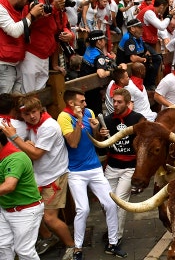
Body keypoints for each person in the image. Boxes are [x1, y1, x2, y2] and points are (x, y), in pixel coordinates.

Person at [1, 96, 74, 259]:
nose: (31, 117)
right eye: (27, 114)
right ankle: (48, 238)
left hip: (54, 177)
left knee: (49, 218)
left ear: (40, 110)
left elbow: (36, 155)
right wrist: (27, 142)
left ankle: (73, 247)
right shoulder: (31, 125)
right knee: (34, 211)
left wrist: (15, 137)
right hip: (39, 176)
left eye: (34, 112)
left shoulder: (49, 126)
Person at [57, 88, 126, 259]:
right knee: (83, 209)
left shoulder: (89, 112)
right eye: (81, 101)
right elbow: (72, 143)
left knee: (110, 204)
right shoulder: (64, 117)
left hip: (94, 167)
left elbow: (95, 139)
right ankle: (78, 248)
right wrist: (79, 121)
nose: (85, 104)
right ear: (71, 103)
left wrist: (98, 132)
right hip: (75, 171)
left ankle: (113, 243)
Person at [101, 88, 145, 245]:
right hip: (112, 167)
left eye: (119, 102)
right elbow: (102, 146)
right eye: (114, 101)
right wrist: (99, 133)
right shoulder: (106, 120)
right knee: (107, 202)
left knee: (119, 201)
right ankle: (112, 229)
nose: (115, 104)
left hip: (129, 167)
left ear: (128, 103)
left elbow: (146, 140)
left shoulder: (138, 119)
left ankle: (116, 237)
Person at [20, 0, 74, 93]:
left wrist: (69, 34)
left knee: (40, 93)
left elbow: (62, 27)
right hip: (31, 54)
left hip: (46, 57)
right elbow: (31, 22)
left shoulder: (60, 5)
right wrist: (53, 7)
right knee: (28, 95)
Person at [0, 129, 43, 259]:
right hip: (5, 209)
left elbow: (9, 186)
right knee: (3, 245)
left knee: (24, 251)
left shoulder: (15, 158)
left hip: (25, 210)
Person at [0, 0, 44, 94]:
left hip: (14, 64)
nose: (26, 3)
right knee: (5, 105)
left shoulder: (14, 8)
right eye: (26, 0)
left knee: (14, 103)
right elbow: (14, 31)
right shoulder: (0, 7)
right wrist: (31, 15)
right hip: (3, 66)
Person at [117, 19, 162, 89]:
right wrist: (143, 59)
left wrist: (147, 56)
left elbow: (146, 51)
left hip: (135, 64)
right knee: (145, 62)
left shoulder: (138, 37)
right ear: (132, 29)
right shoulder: (129, 39)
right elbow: (133, 58)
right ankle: (147, 85)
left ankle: (149, 84)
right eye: (139, 27)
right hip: (125, 66)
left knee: (157, 58)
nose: (142, 29)